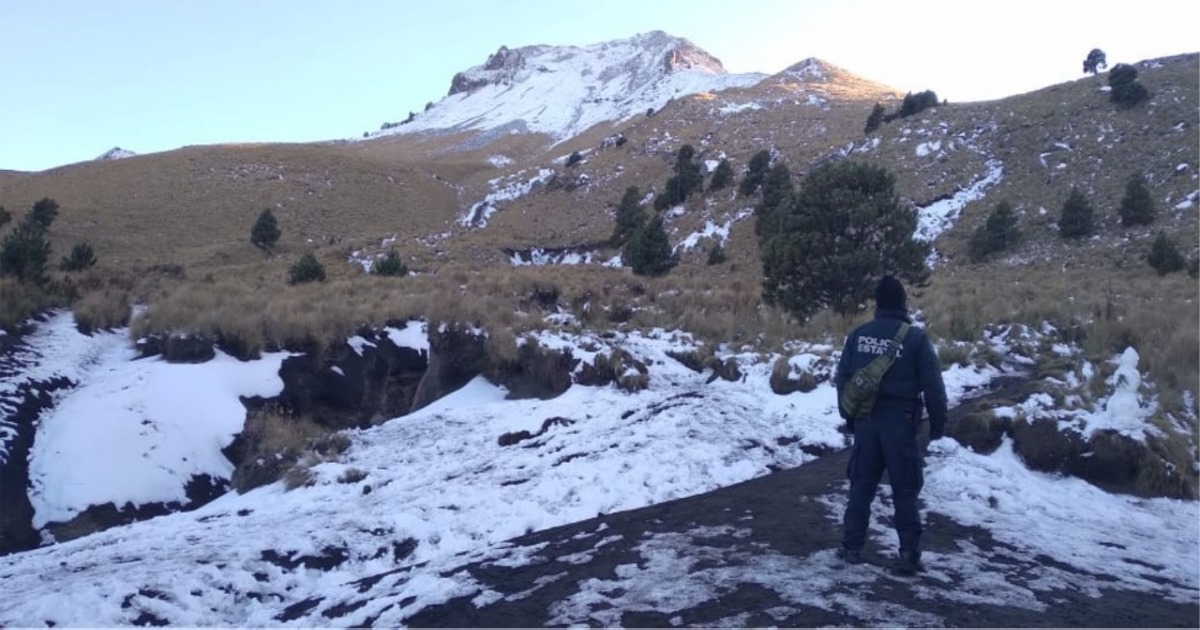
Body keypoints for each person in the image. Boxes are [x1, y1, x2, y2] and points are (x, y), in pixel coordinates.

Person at [834, 275, 947, 575]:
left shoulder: (859, 336)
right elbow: (933, 387)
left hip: (866, 421)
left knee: (861, 485)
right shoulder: (915, 339)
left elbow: (843, 379)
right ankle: (909, 554)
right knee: (905, 489)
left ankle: (851, 547)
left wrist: (849, 416)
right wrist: (938, 423)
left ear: (877, 303)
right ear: (902, 303)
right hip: (901, 423)